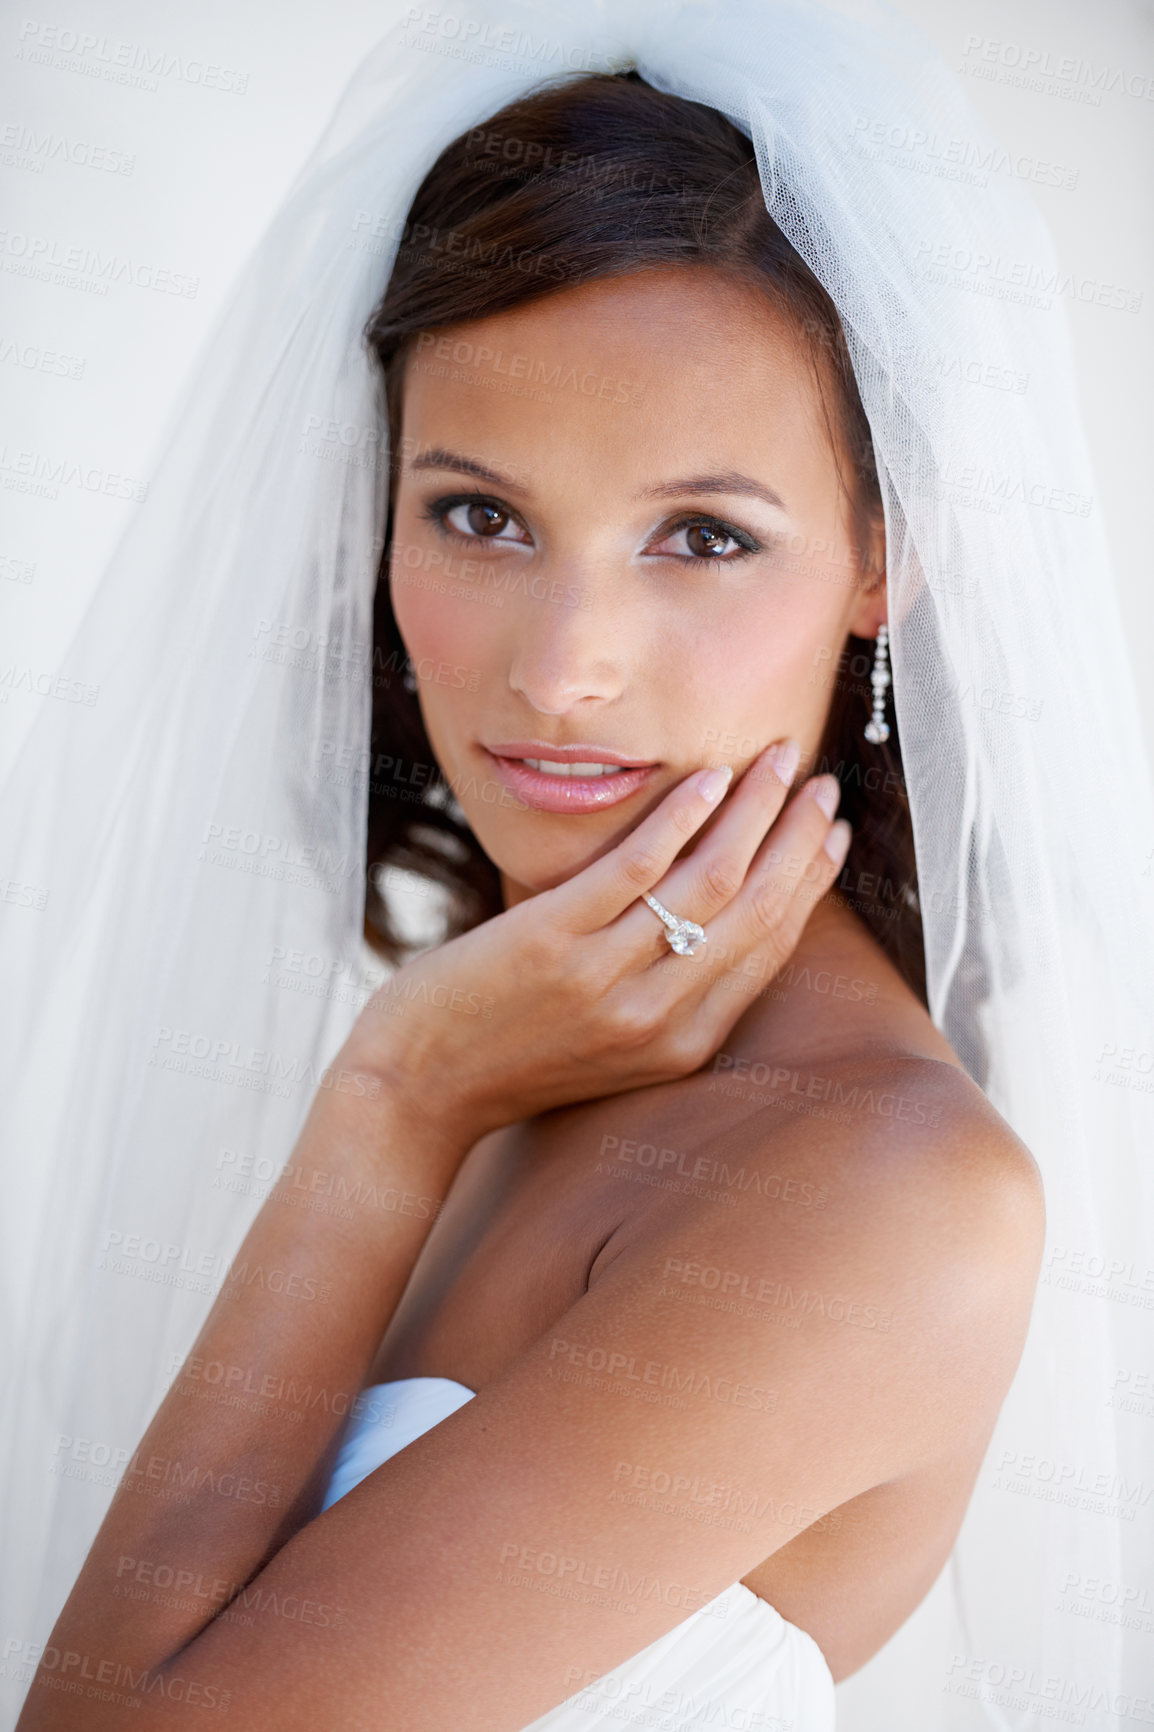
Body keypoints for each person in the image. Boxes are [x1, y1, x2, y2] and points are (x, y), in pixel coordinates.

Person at [3, 4, 1151, 1730]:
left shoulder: (883, 1192)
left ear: (879, 560)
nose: (560, 669)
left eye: (700, 536)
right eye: (478, 514)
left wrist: (389, 1100)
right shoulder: (512, 1046)